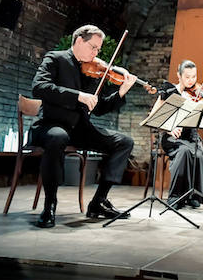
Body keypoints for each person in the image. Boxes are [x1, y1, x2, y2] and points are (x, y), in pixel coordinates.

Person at [30, 24, 137, 228]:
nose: (97, 53)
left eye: (98, 49)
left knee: (124, 142)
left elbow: (99, 107)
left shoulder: (92, 70)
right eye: (93, 47)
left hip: (79, 129)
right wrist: (78, 95)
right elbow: (39, 87)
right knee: (57, 137)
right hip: (51, 124)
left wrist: (121, 92)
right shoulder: (56, 59)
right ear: (79, 41)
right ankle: (50, 203)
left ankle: (98, 202)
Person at [149, 60, 203, 209]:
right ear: (179, 75)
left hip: (191, 136)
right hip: (173, 137)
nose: (191, 81)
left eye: (194, 76)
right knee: (185, 151)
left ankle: (193, 195)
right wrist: (169, 128)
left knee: (198, 154)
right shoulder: (168, 91)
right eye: (187, 77)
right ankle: (175, 196)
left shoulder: (196, 94)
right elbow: (154, 116)